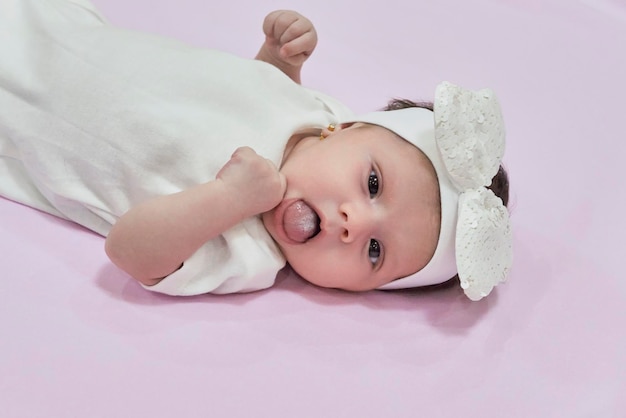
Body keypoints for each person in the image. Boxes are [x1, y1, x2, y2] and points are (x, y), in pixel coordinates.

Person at [0, 0, 512, 301]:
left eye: (374, 253)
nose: (353, 224)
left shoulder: (250, 255)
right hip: (69, 37)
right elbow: (252, 92)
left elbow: (130, 251)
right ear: (346, 127)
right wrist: (278, 61)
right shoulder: (310, 113)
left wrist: (229, 198)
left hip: (22, 123)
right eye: (373, 184)